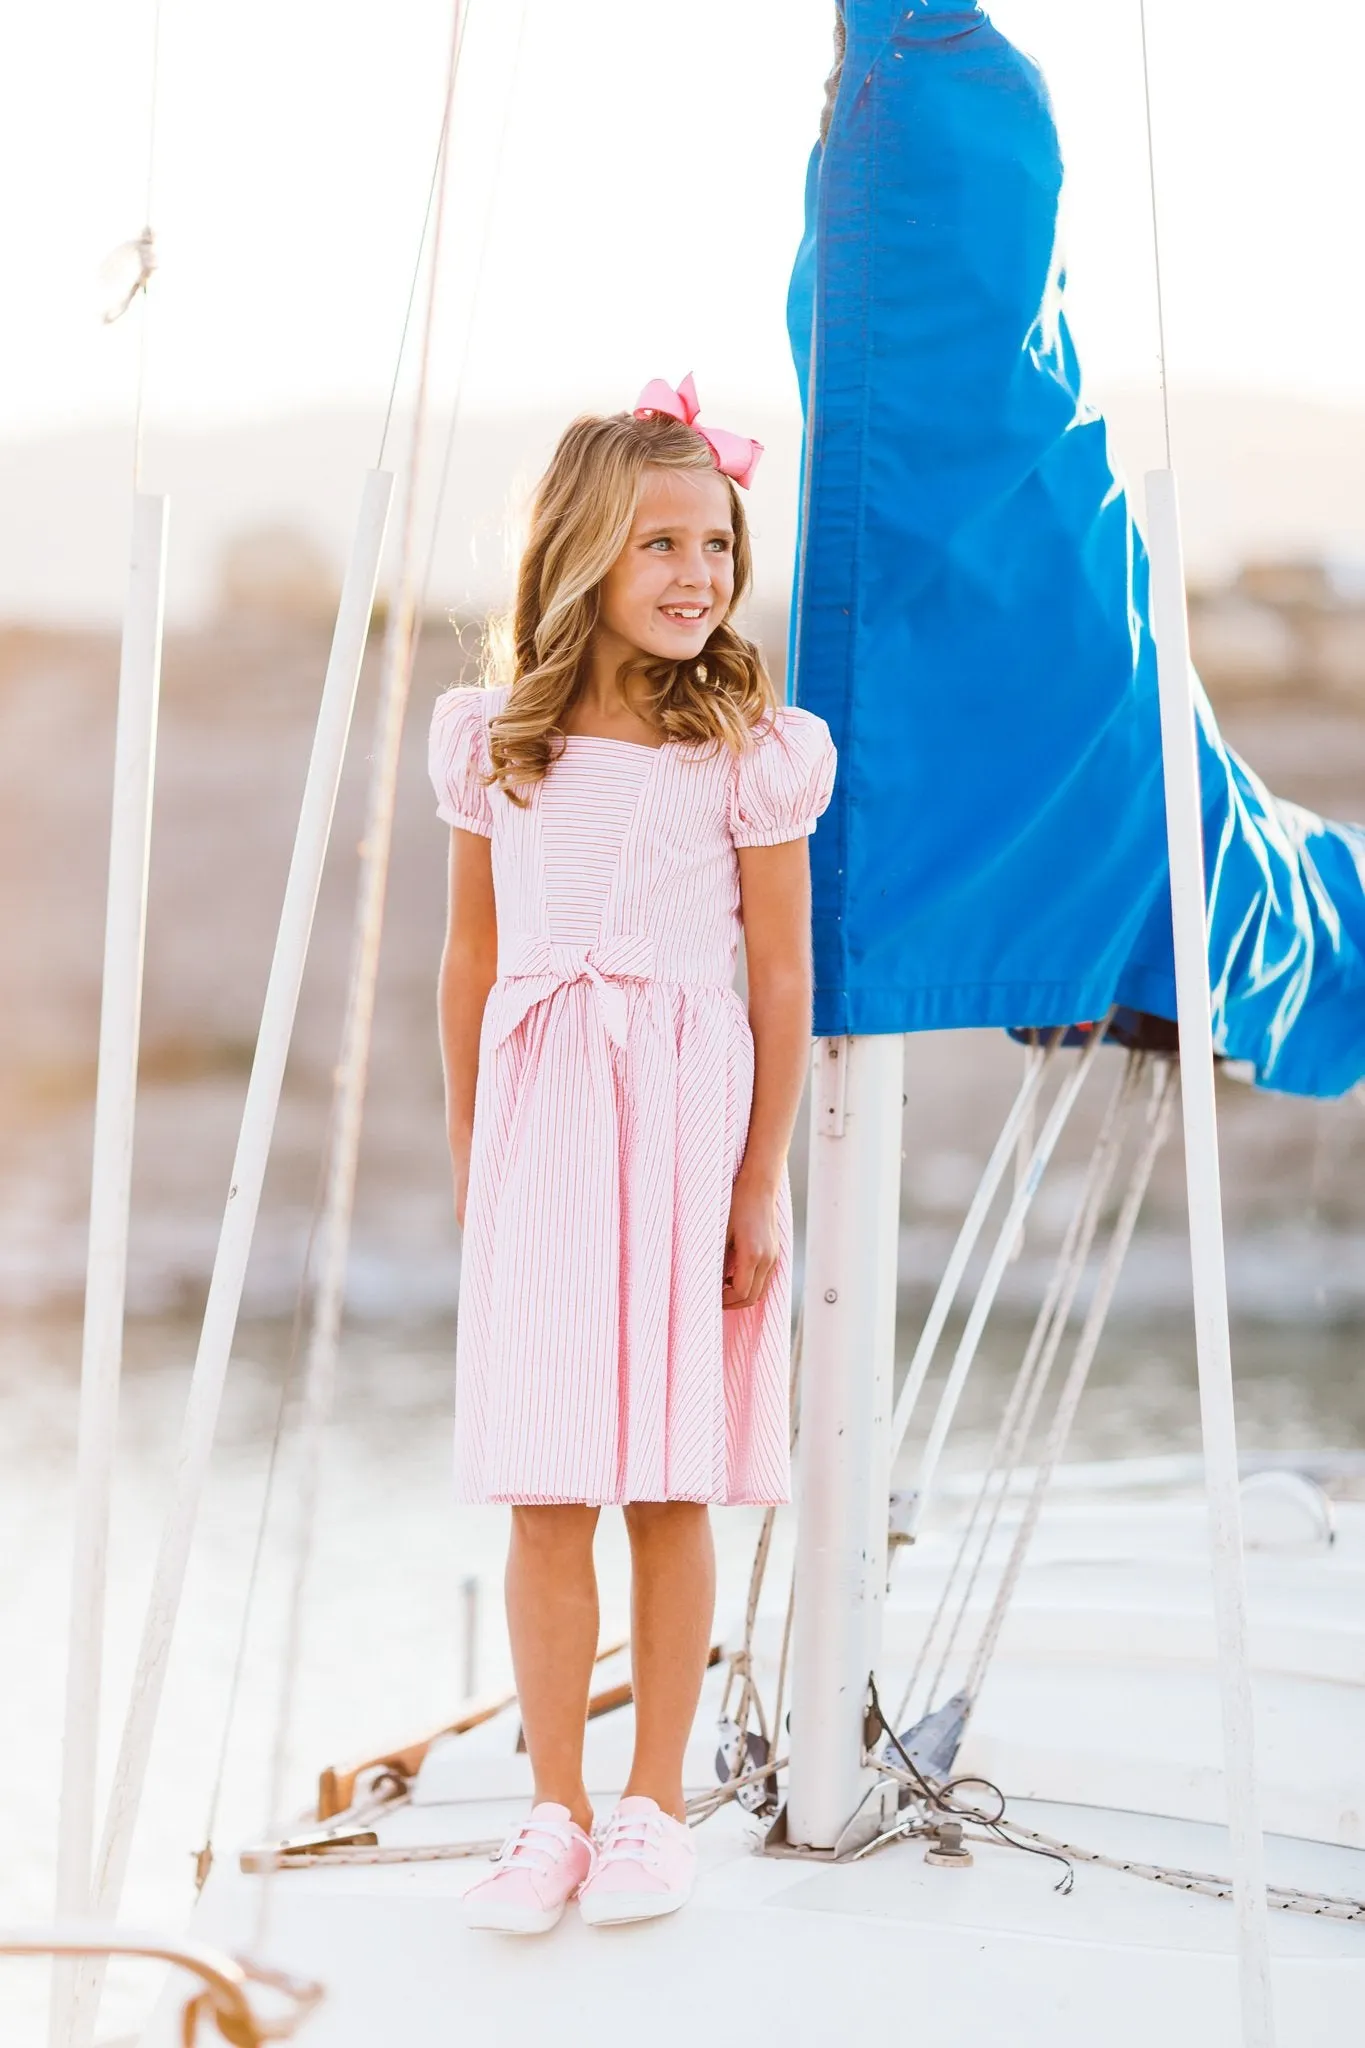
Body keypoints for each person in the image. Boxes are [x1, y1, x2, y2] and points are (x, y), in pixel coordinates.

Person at [428, 376, 835, 1934]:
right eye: (662, 543)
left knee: (671, 1484)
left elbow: (782, 978)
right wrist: (477, 1158)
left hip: (683, 1122)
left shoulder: (752, 745)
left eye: (718, 547)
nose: (697, 577)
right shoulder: (495, 740)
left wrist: (759, 1179)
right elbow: (470, 962)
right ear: (585, 552)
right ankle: (552, 1811)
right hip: (538, 1123)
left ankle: (655, 1807)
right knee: (546, 1486)